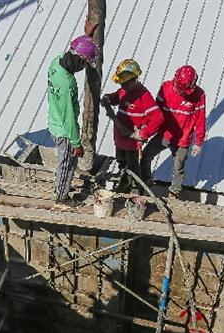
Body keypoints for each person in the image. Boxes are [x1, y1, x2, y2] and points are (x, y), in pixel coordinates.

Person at [142, 65, 206, 200]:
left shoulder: (199, 96)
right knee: (146, 155)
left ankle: (174, 193)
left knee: (178, 168)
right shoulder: (166, 88)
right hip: (164, 134)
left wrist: (198, 142)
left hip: (182, 140)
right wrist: (146, 130)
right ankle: (147, 180)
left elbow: (200, 119)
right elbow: (155, 112)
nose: (181, 93)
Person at [47, 36, 98, 207]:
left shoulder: (56, 62)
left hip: (54, 121)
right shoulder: (66, 84)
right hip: (65, 131)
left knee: (68, 161)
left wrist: (87, 35)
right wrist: (76, 142)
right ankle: (61, 197)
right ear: (80, 59)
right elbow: (69, 118)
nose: (83, 68)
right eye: (84, 64)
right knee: (67, 164)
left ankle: (62, 190)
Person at [100, 59, 163, 193]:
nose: (122, 86)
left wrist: (143, 133)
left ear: (134, 80)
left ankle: (134, 190)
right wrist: (108, 98)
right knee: (122, 162)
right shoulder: (124, 89)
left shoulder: (144, 96)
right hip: (120, 138)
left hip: (132, 142)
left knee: (133, 167)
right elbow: (117, 97)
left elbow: (158, 118)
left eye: (124, 84)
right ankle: (124, 183)